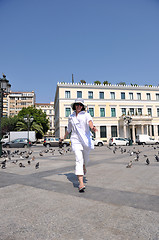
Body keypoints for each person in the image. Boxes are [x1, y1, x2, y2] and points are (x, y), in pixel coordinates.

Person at [60, 98, 97, 192]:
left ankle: (84, 165)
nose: (79, 106)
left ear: (83, 106)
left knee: (86, 159)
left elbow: (90, 122)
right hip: (75, 140)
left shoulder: (86, 114)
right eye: (77, 105)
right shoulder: (71, 117)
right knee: (78, 159)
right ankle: (81, 183)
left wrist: (92, 127)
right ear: (74, 106)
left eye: (81, 105)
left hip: (86, 140)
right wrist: (63, 137)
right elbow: (68, 129)